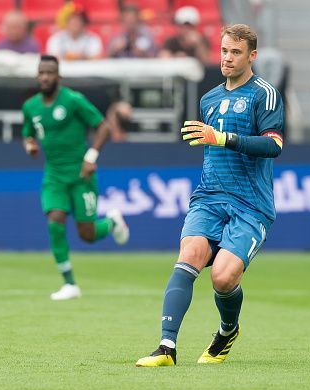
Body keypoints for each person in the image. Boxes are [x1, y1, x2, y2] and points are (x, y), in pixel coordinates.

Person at [136, 24, 284, 367]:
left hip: (250, 205)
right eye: (223, 51)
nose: (227, 58)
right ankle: (166, 348)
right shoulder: (209, 99)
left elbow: (273, 145)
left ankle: (228, 330)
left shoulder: (265, 94)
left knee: (222, 277)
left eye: (235, 52)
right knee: (190, 253)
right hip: (209, 197)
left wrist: (223, 138)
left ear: (252, 56)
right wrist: (214, 142)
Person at [22, 54, 130, 301]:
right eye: (41, 73)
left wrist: (91, 156)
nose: (45, 77)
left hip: (81, 174)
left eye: (50, 73)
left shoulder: (73, 100)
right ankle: (70, 283)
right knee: (55, 219)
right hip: (54, 175)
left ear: (58, 77)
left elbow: (103, 126)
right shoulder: (30, 107)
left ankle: (112, 222)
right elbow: (28, 134)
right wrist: (29, 145)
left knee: (87, 234)